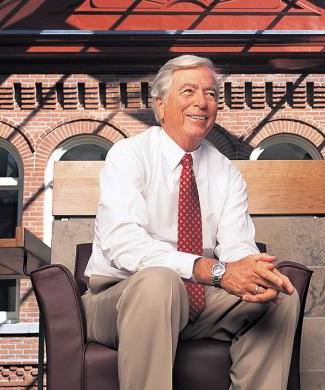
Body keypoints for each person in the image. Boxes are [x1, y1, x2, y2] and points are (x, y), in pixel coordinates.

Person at [82, 54, 300, 390]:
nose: (202, 102)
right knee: (159, 281)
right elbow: (124, 246)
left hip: (198, 302)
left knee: (279, 296)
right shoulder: (128, 155)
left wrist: (251, 272)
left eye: (211, 94)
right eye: (188, 91)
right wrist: (211, 270)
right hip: (119, 301)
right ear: (159, 105)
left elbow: (237, 250)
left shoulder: (226, 172)